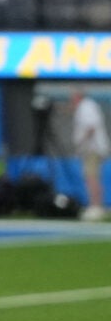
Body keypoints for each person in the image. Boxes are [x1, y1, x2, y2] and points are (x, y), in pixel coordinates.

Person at [72, 90, 108, 222]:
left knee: (91, 177)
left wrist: (82, 143)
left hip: (92, 148)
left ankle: (96, 207)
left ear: (78, 97)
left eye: (73, 98)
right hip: (91, 149)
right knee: (92, 177)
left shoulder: (86, 107)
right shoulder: (86, 107)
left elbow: (91, 128)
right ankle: (96, 206)